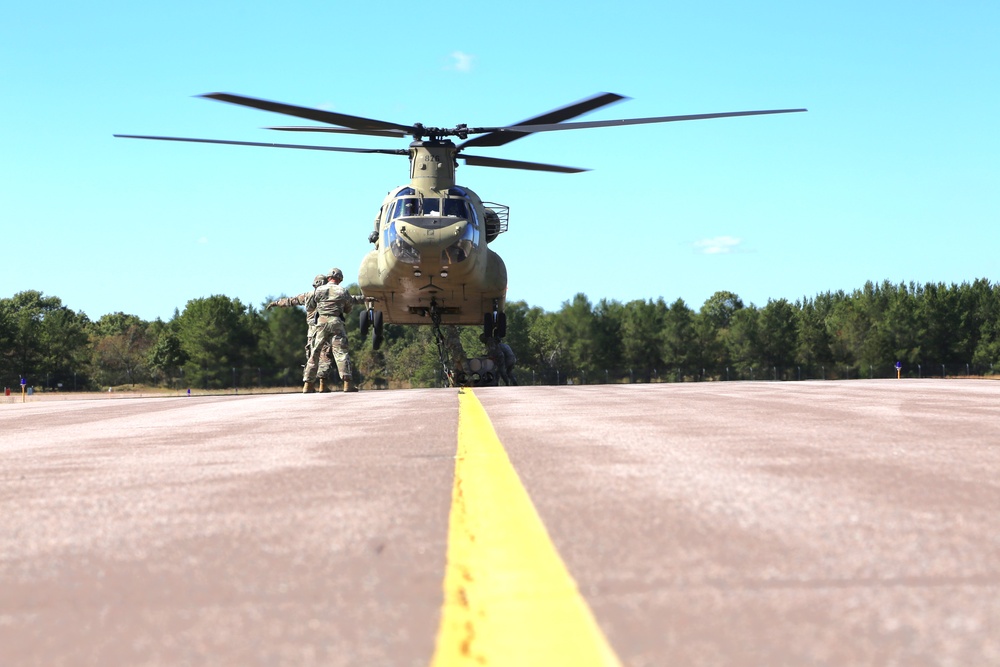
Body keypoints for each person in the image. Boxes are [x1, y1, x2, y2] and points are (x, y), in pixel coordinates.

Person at [266, 275, 340, 393]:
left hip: (312, 332)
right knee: (325, 357)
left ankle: (308, 385)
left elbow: (290, 301)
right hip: (325, 329)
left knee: (311, 358)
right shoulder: (330, 295)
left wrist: (276, 303)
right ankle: (322, 384)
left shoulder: (307, 295)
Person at [303, 267, 368, 393]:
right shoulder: (343, 291)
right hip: (336, 323)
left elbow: (310, 307)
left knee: (314, 353)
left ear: (328, 278)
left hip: (320, 323)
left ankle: (308, 384)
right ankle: (347, 384)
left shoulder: (318, 290)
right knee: (341, 353)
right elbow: (348, 309)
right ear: (340, 279)